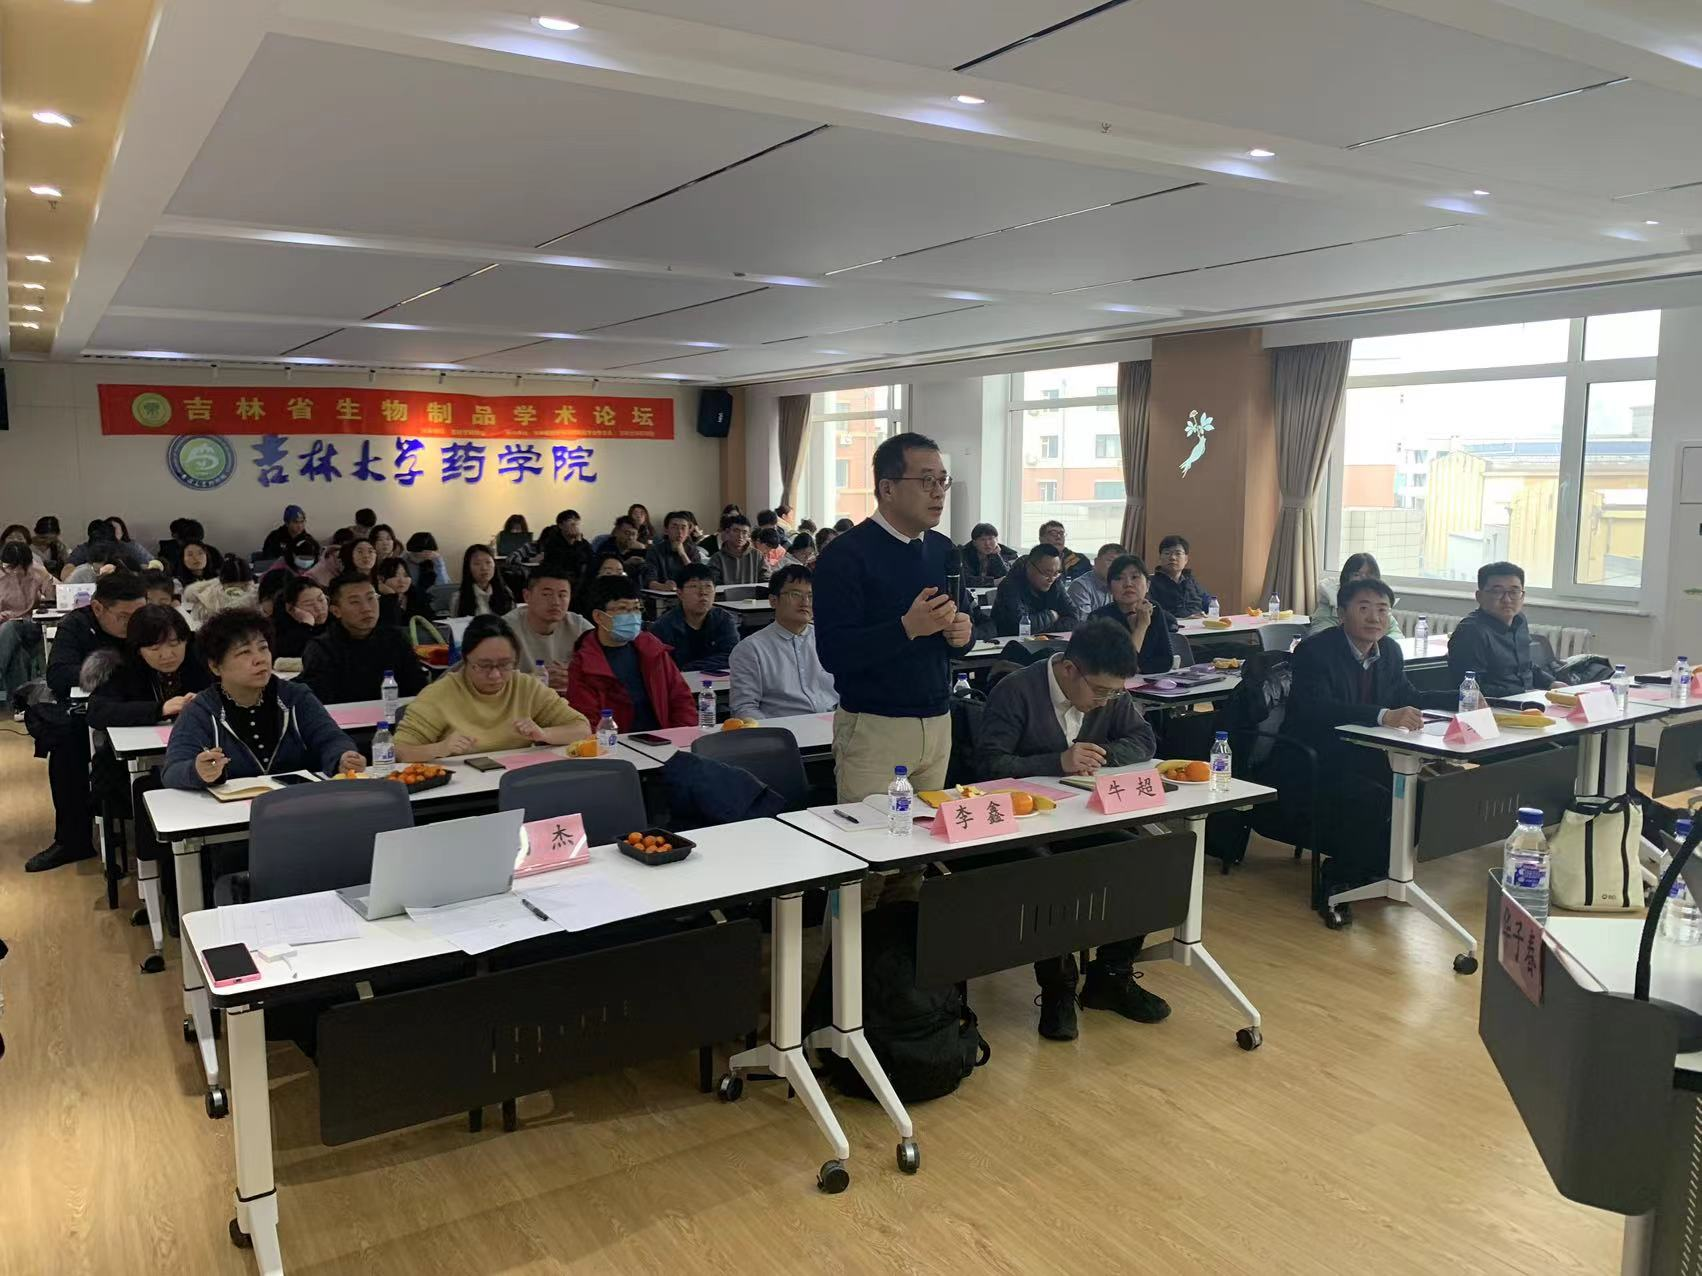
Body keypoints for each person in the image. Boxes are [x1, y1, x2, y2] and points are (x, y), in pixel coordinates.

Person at [974, 619, 1163, 1040]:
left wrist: (1101, 754)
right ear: (1069, 669)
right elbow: (988, 766)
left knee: (1146, 857)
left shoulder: (1109, 693)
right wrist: (1057, 762)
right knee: (1052, 875)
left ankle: (1110, 976)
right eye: (1101, 691)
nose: (1106, 701)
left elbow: (1144, 739)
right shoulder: (1016, 691)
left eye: (1115, 693)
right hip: (1023, 828)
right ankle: (1058, 989)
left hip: (1083, 817)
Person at [813, 431, 975, 806]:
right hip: (875, 726)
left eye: (943, 480)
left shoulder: (943, 549)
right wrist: (906, 628)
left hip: (938, 719)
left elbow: (961, 632)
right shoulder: (846, 556)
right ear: (887, 488)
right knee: (872, 837)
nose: (939, 492)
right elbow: (834, 653)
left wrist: (963, 634)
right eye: (926, 481)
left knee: (928, 834)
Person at [1287, 577, 1455, 910]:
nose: (1374, 617)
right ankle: (1338, 877)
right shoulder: (1315, 651)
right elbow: (1318, 709)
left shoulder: (1389, 650)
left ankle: (1378, 869)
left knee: (1423, 792)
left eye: (1382, 609)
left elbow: (1409, 696)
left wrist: (1460, 699)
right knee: (1372, 798)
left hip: (1369, 753)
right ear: (1341, 614)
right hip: (1319, 753)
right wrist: (1383, 716)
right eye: (1363, 608)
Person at [161, 609, 365, 789]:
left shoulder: (295, 697)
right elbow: (173, 770)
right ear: (215, 666)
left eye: (263, 648)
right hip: (232, 813)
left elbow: (331, 739)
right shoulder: (201, 710)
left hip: (298, 803)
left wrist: (342, 757)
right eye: (244, 652)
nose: (260, 659)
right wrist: (197, 771)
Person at [32, 571, 147, 870]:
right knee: (66, 745)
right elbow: (58, 675)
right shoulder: (76, 625)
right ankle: (73, 840)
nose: (133, 624)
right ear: (97, 608)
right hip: (95, 711)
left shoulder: (148, 622)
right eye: (123, 617)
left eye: (138, 614)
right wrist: (111, 669)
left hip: (146, 705)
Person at [393, 615, 590, 761]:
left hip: (514, 781)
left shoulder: (526, 686)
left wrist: (544, 734)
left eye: (505, 664)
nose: (495, 675)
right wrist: (440, 748)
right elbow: (398, 750)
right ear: (465, 660)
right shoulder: (440, 694)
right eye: (484, 666)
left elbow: (581, 728)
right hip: (460, 791)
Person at [566, 574, 696, 731]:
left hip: (665, 739)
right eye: (622, 609)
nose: (632, 616)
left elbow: (681, 699)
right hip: (613, 742)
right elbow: (587, 721)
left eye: (636, 608)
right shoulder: (584, 665)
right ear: (599, 616)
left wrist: (681, 736)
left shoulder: (653, 650)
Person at [301, 573, 431, 706]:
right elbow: (319, 703)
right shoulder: (321, 649)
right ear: (336, 611)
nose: (366, 608)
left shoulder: (395, 638)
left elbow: (418, 688)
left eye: (371, 598)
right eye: (355, 602)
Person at [729, 565, 836, 720]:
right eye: (795, 594)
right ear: (773, 601)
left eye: (811, 595)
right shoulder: (751, 649)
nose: (805, 602)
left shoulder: (829, 639)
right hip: (781, 730)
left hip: (832, 726)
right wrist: (774, 732)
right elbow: (744, 708)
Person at [87, 603, 210, 730]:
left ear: (186, 641)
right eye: (154, 648)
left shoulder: (204, 656)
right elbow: (97, 712)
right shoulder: (122, 664)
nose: (167, 655)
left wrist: (211, 701)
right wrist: (160, 709)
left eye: (174, 644)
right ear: (138, 650)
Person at [1447, 561, 1554, 698]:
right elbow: (1471, 688)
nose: (1507, 599)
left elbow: (1525, 666)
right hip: (1495, 705)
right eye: (1497, 591)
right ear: (1479, 596)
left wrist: (1551, 683)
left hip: (1527, 700)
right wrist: (1524, 693)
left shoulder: (1519, 620)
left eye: (1514, 592)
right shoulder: (1470, 631)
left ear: (1522, 596)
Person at [502, 563, 592, 693]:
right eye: (546, 594)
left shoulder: (578, 625)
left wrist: (576, 675)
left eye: (562, 595)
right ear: (527, 596)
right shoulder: (505, 628)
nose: (555, 602)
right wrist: (533, 680)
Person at [1091, 554, 1175, 673]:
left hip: (1146, 682)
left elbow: (1165, 661)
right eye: (1119, 578)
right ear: (1109, 588)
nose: (1128, 584)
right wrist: (1141, 626)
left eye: (1135, 577)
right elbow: (1121, 668)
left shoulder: (1153, 609)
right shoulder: (1099, 618)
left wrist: (1137, 668)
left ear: (1148, 586)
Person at [649, 563, 739, 672]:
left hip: (716, 680)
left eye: (708, 586)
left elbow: (733, 655)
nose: (702, 592)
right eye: (694, 586)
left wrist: (691, 667)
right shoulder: (663, 626)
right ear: (680, 593)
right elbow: (662, 667)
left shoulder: (723, 619)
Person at [0, 541, 54, 699]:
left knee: (11, 626)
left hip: (30, 625)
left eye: (19, 567)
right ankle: (18, 702)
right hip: (4, 629)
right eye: (10, 567)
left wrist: (46, 577)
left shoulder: (36, 571)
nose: (15, 572)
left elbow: (55, 599)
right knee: (18, 654)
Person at [1308, 553, 1403, 637]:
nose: (1363, 579)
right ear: (1346, 577)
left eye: (1369, 574)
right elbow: (1320, 637)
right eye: (1357, 575)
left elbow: (1396, 634)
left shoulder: (1380, 601)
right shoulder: (1330, 602)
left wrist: (1375, 644)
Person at [991, 544, 1078, 635]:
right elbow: (1020, 625)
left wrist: (1043, 628)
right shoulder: (1009, 585)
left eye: (1056, 573)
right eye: (1046, 573)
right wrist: (1051, 616)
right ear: (1029, 566)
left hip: (1046, 640)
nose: (1051, 579)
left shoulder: (1056, 582)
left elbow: (1074, 619)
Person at [183, 554, 258, 626]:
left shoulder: (256, 596)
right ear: (222, 583)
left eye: (244, 586)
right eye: (231, 586)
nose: (237, 590)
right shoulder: (206, 599)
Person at [1149, 534, 1210, 618]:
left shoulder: (1191, 582)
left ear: (1186, 559)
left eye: (1178, 553)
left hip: (1198, 624)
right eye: (1167, 553)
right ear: (1160, 558)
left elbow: (1209, 604)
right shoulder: (1150, 583)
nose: (1172, 557)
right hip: (1170, 625)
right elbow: (1152, 612)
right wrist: (1183, 619)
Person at [642, 510, 706, 590]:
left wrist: (683, 555)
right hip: (663, 595)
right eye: (674, 527)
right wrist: (664, 587)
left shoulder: (693, 551)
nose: (679, 532)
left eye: (683, 528)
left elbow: (698, 578)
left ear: (688, 532)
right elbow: (649, 581)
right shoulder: (655, 551)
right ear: (666, 530)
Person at [270, 575, 329, 660]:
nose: (319, 608)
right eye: (309, 604)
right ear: (290, 609)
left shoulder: (336, 620)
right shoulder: (279, 632)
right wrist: (306, 626)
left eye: (321, 600)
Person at [453, 545, 512, 618]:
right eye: (477, 563)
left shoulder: (506, 593)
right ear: (468, 568)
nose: (484, 568)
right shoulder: (458, 598)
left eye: (488, 562)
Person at [535, 509, 593, 583]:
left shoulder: (584, 543)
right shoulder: (553, 543)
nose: (574, 525)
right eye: (570, 521)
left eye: (576, 521)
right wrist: (577, 543)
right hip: (559, 579)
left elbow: (590, 561)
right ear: (561, 525)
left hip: (581, 581)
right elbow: (569, 562)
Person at [1067, 543, 1124, 616]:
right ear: (1096, 561)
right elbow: (1085, 621)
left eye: (1119, 564)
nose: (1114, 567)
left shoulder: (1121, 585)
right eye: (1110, 561)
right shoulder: (1080, 586)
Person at [709, 514, 767, 586]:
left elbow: (766, 579)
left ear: (749, 535)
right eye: (736, 531)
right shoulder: (717, 558)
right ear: (727, 532)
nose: (740, 536)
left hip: (752, 593)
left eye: (744, 532)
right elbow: (713, 584)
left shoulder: (757, 556)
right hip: (726, 593)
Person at [376, 555, 429, 629]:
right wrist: (391, 596)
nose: (402, 580)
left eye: (405, 575)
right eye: (394, 575)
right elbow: (391, 626)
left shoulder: (418, 596)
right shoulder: (376, 600)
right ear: (381, 578)